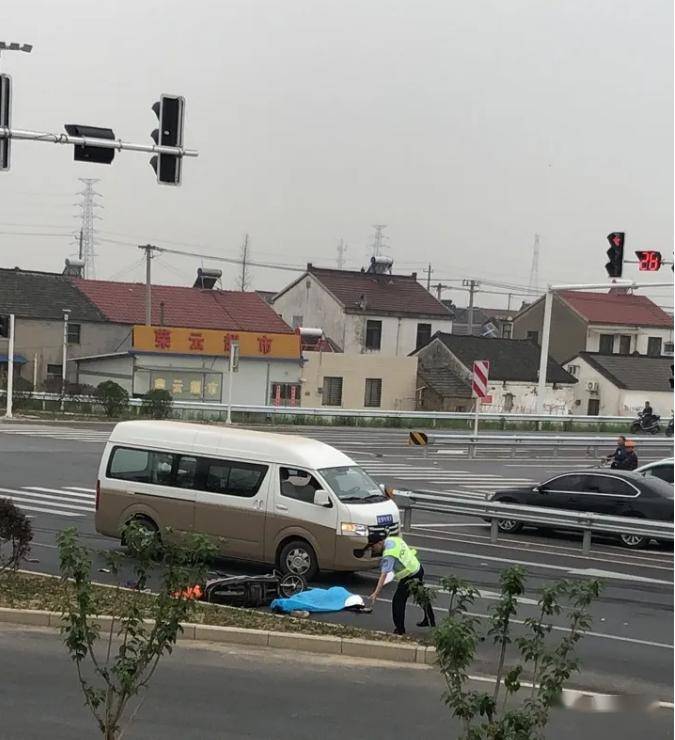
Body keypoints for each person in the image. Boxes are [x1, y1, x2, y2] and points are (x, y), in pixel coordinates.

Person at [367, 534, 435, 635]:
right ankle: (430, 620)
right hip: (417, 568)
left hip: (410, 575)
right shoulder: (392, 540)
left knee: (398, 601)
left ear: (380, 543)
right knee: (420, 596)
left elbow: (384, 575)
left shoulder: (389, 554)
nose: (373, 550)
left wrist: (376, 593)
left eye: (373, 547)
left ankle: (400, 630)